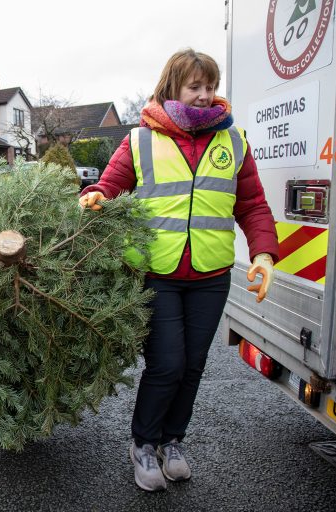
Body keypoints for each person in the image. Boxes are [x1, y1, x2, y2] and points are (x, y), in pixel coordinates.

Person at [79, 49, 278, 492]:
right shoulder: (140, 139)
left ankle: (173, 441)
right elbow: (110, 186)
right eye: (195, 86)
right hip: (157, 273)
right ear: (172, 87)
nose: (205, 96)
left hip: (211, 275)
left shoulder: (234, 142)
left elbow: (253, 205)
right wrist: (95, 196)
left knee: (193, 365)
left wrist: (263, 253)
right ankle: (144, 444)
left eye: (210, 86)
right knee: (167, 364)